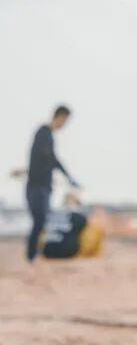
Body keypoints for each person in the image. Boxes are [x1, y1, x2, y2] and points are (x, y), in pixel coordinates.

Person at [13, 106, 78, 263]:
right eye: (65, 121)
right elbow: (49, 158)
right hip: (36, 187)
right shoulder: (43, 133)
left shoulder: (49, 136)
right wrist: (66, 176)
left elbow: (53, 159)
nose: (64, 125)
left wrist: (69, 177)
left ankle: (34, 254)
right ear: (60, 117)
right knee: (39, 220)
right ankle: (31, 256)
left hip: (45, 187)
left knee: (41, 220)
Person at [41, 192, 105, 260]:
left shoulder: (52, 214)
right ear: (77, 203)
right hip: (68, 252)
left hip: (46, 251)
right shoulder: (79, 217)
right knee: (93, 229)